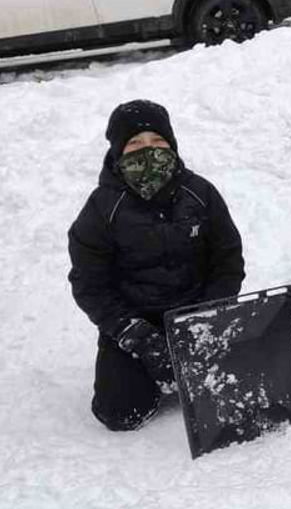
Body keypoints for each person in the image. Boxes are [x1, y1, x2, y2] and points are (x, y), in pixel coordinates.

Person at [68, 100, 245, 431]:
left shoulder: (200, 193)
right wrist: (132, 333)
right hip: (136, 321)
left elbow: (228, 260)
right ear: (118, 152)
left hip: (195, 312)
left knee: (241, 383)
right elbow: (89, 284)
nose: (148, 152)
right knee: (120, 413)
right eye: (135, 144)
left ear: (172, 146)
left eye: (157, 142)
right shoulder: (101, 208)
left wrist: (208, 312)